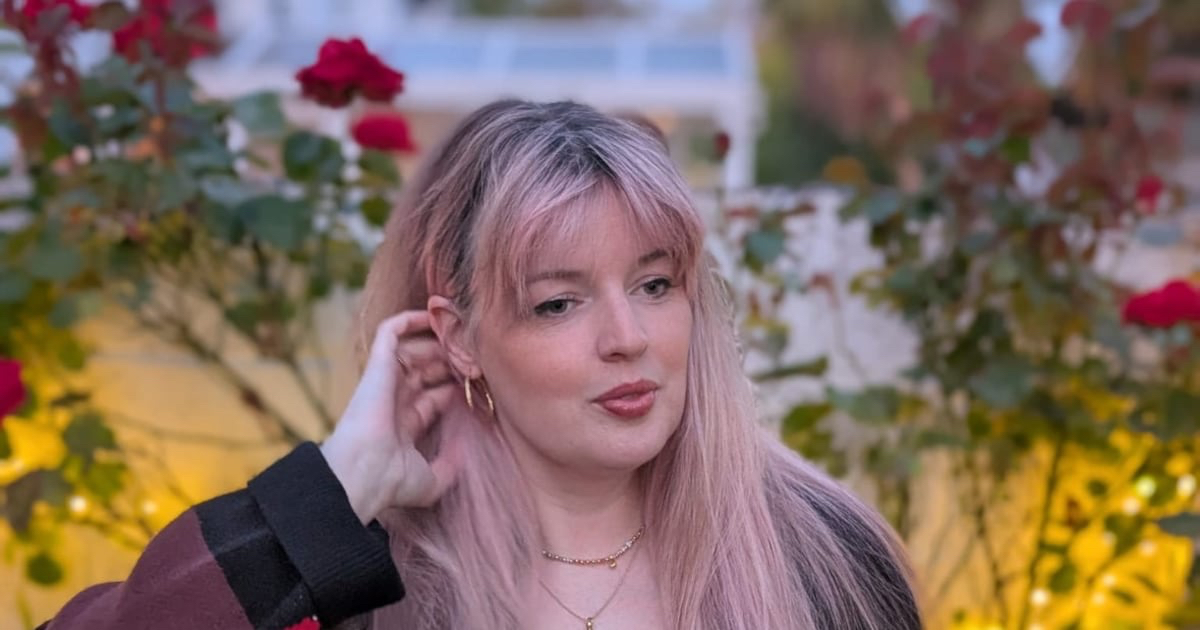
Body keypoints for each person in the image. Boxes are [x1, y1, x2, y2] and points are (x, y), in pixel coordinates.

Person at [39, 100, 923, 630]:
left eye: (655, 285)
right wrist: (333, 492)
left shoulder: (823, 558)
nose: (628, 336)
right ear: (458, 339)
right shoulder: (356, 586)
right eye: (558, 303)